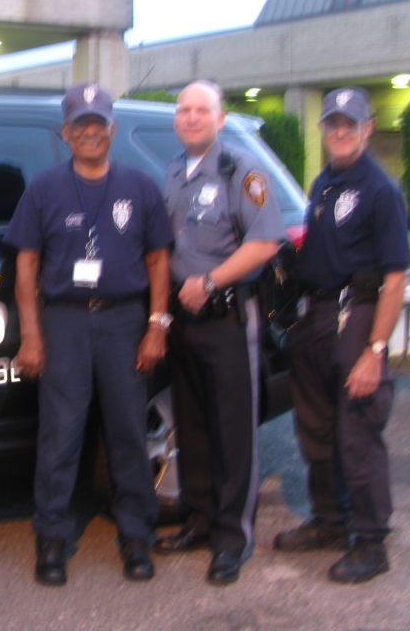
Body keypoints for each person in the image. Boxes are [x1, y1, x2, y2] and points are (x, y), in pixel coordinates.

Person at [4, 83, 173, 585]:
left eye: (98, 123)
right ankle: (52, 539)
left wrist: (156, 326)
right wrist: (32, 337)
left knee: (126, 433)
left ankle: (137, 537)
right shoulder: (44, 189)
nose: (90, 131)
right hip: (66, 322)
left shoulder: (140, 187)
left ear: (112, 130)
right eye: (81, 124)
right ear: (66, 132)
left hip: (124, 321)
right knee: (60, 436)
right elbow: (27, 267)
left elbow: (159, 260)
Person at [273, 87, 409, 583]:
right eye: (332, 122)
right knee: (316, 428)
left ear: (368, 127)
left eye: (350, 122)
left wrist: (375, 351)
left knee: (357, 434)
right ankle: (331, 520)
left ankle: (371, 541)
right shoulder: (323, 183)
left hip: (358, 314)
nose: (340, 130)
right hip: (317, 315)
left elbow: (396, 279)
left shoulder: (380, 190)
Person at [156, 80, 285, 585]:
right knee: (193, 429)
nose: (190, 118)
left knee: (233, 433)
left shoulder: (241, 170)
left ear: (221, 118)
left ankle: (233, 539)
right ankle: (201, 521)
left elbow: (266, 242)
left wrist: (208, 282)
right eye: (184, 110)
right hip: (185, 322)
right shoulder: (172, 170)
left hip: (229, 318)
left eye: (201, 110)